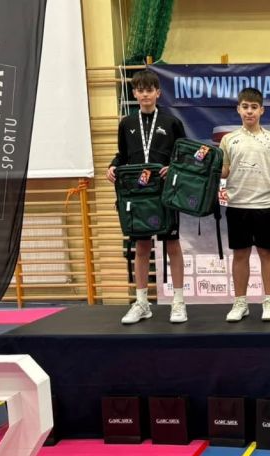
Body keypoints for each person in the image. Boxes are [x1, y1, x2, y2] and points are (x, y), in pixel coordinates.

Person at [107, 70, 188, 325]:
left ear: (158, 93)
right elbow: (122, 155)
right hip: (138, 194)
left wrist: (173, 168)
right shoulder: (126, 124)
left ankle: (178, 301)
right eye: (140, 90)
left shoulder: (171, 122)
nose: (145, 95)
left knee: (172, 245)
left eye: (149, 90)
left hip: (165, 192)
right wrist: (113, 166)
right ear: (134, 94)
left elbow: (183, 156)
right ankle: (142, 302)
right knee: (141, 247)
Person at [219, 88, 270, 322]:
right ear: (238, 109)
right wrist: (208, 166)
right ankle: (240, 303)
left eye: (254, 107)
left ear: (261, 110)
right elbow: (224, 171)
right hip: (237, 204)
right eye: (245, 107)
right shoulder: (228, 139)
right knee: (240, 254)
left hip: (265, 203)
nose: (249, 111)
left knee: (267, 252)